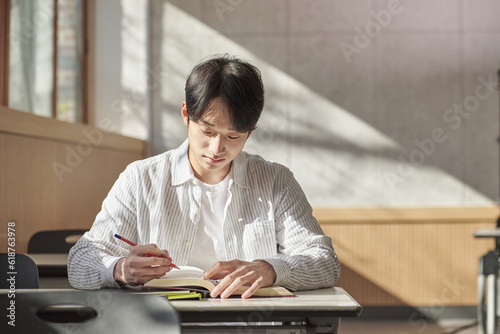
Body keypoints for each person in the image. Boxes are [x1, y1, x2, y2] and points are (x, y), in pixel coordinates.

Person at [68, 55, 340, 298]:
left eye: (233, 136)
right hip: (165, 327)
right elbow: (80, 262)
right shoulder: (141, 179)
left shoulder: (275, 181)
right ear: (186, 114)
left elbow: (325, 261)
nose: (217, 149)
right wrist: (119, 268)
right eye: (207, 132)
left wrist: (271, 268)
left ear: (252, 129)